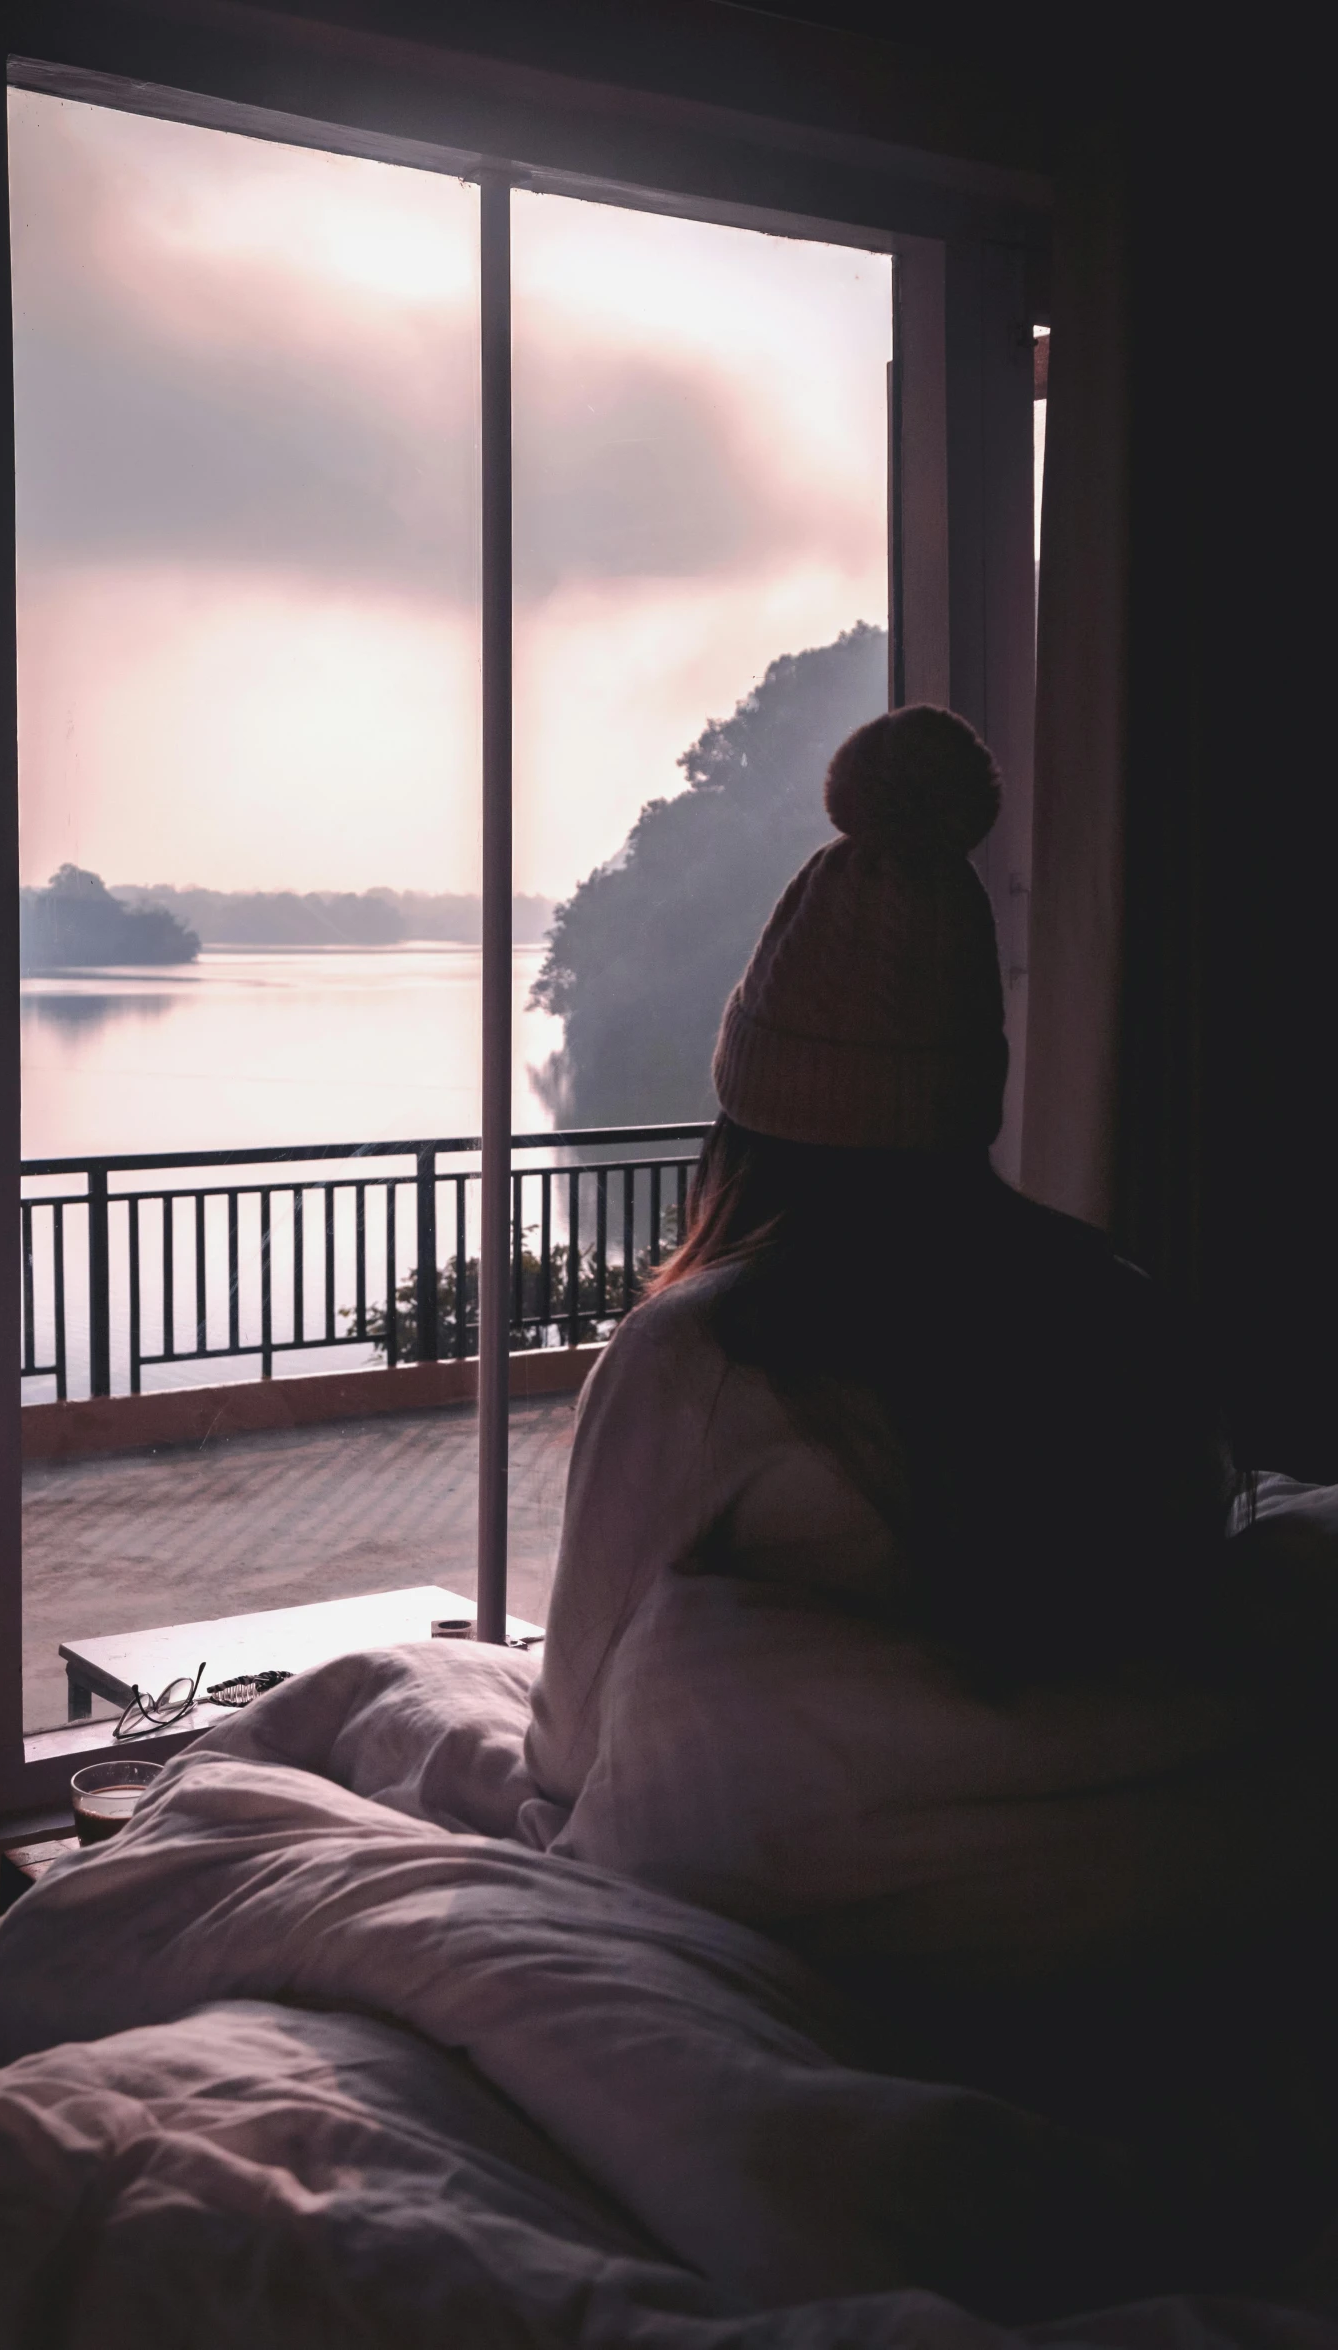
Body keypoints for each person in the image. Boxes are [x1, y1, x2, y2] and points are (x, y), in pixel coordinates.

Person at [520, 706, 1338, 2259]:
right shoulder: (1127, 1310)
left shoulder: (709, 1355)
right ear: (969, 1088)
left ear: (748, 1101)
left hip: (820, 1967)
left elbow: (569, 1746)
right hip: (1145, 1966)